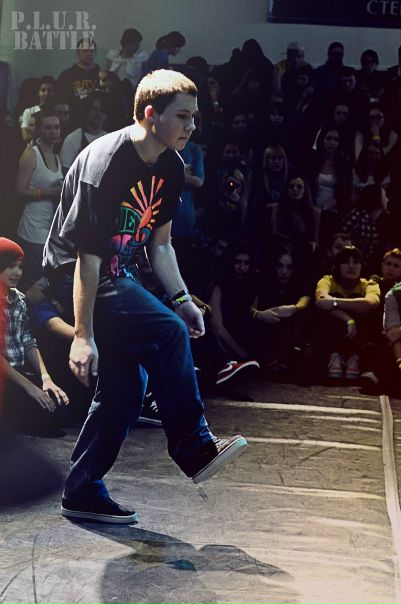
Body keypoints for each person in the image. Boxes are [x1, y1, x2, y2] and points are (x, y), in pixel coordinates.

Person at [43, 69, 247, 523]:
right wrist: (82, 335)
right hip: (75, 272)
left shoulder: (171, 166)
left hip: (120, 271)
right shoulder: (106, 165)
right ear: (152, 115)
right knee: (169, 333)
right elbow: (87, 259)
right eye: (183, 116)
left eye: (195, 117)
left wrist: (182, 299)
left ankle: (81, 489)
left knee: (126, 389)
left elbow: (161, 245)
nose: (192, 126)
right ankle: (194, 447)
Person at [0, 238, 69, 435]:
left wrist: (46, 379)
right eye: (10, 266)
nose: (17, 272)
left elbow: (28, 341)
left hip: (16, 373)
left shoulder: (18, 299)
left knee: (59, 406)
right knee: (41, 415)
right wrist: (30, 388)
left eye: (20, 267)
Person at [314, 245, 380, 381]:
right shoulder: (328, 280)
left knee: (365, 309)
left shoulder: (369, 284)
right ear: (337, 266)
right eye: (345, 262)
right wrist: (348, 319)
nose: (351, 266)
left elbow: (370, 303)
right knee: (322, 312)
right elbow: (321, 301)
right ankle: (334, 356)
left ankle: (355, 358)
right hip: (334, 334)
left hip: (358, 336)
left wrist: (334, 302)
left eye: (355, 262)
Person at [16, 110, 63, 291]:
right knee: (30, 281)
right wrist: (47, 193)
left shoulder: (57, 157)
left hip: (49, 228)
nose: (53, 131)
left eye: (56, 127)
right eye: (48, 128)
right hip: (32, 228)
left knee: (43, 283)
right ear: (39, 130)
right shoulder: (31, 154)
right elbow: (19, 190)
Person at [59, 93, 108, 173]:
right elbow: (65, 171)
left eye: (102, 110)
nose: (98, 114)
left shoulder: (110, 139)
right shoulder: (72, 139)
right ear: (87, 111)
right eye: (94, 109)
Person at [105, 28, 148, 94]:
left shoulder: (141, 58)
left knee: (126, 83)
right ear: (126, 44)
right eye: (135, 45)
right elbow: (107, 72)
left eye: (138, 45)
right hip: (114, 90)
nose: (137, 48)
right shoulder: (113, 56)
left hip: (131, 91)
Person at [20, 76, 55, 143]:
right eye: (43, 90)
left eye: (50, 91)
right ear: (38, 92)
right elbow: (25, 137)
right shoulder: (29, 111)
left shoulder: (57, 111)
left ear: (54, 93)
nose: (46, 93)